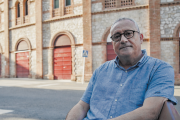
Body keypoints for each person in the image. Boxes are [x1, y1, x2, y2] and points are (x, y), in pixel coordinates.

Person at [66, 18, 177, 120]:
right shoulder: (101, 70)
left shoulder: (160, 69)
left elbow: (150, 112)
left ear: (141, 38)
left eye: (129, 33)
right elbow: (82, 106)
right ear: (113, 43)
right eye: (117, 36)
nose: (123, 40)